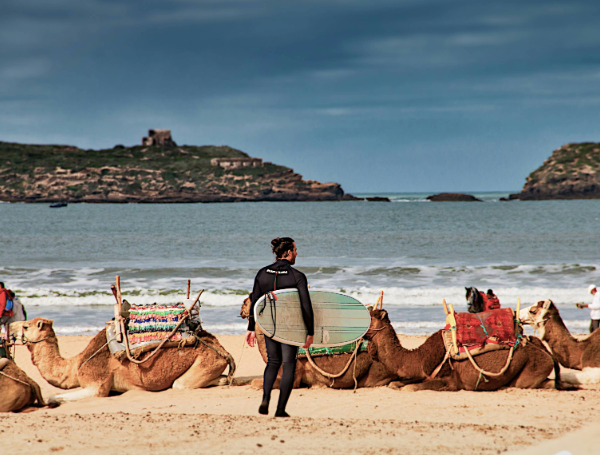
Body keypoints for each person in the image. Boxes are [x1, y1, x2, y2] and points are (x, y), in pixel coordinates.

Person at [245, 237, 314, 417]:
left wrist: (251, 328)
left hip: (270, 326)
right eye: (296, 250)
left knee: (273, 362)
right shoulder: (297, 276)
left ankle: (266, 399)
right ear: (289, 252)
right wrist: (310, 331)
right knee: (289, 365)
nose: (297, 253)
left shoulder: (262, 273)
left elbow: (255, 303)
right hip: (290, 327)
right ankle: (281, 409)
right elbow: (306, 306)